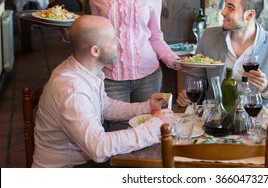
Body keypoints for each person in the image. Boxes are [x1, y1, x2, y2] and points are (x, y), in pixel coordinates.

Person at [32, 15, 173, 168]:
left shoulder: (83, 70)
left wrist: (147, 107)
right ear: (95, 50)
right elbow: (99, 148)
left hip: (84, 162)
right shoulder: (72, 89)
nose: (119, 42)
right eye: (113, 39)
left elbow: (106, 107)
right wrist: (153, 127)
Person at [177, 0, 268, 109]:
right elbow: (195, 78)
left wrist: (266, 88)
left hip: (255, 120)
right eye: (225, 6)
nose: (223, 12)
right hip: (215, 119)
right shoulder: (208, 36)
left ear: (249, 15)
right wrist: (188, 94)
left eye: (231, 8)